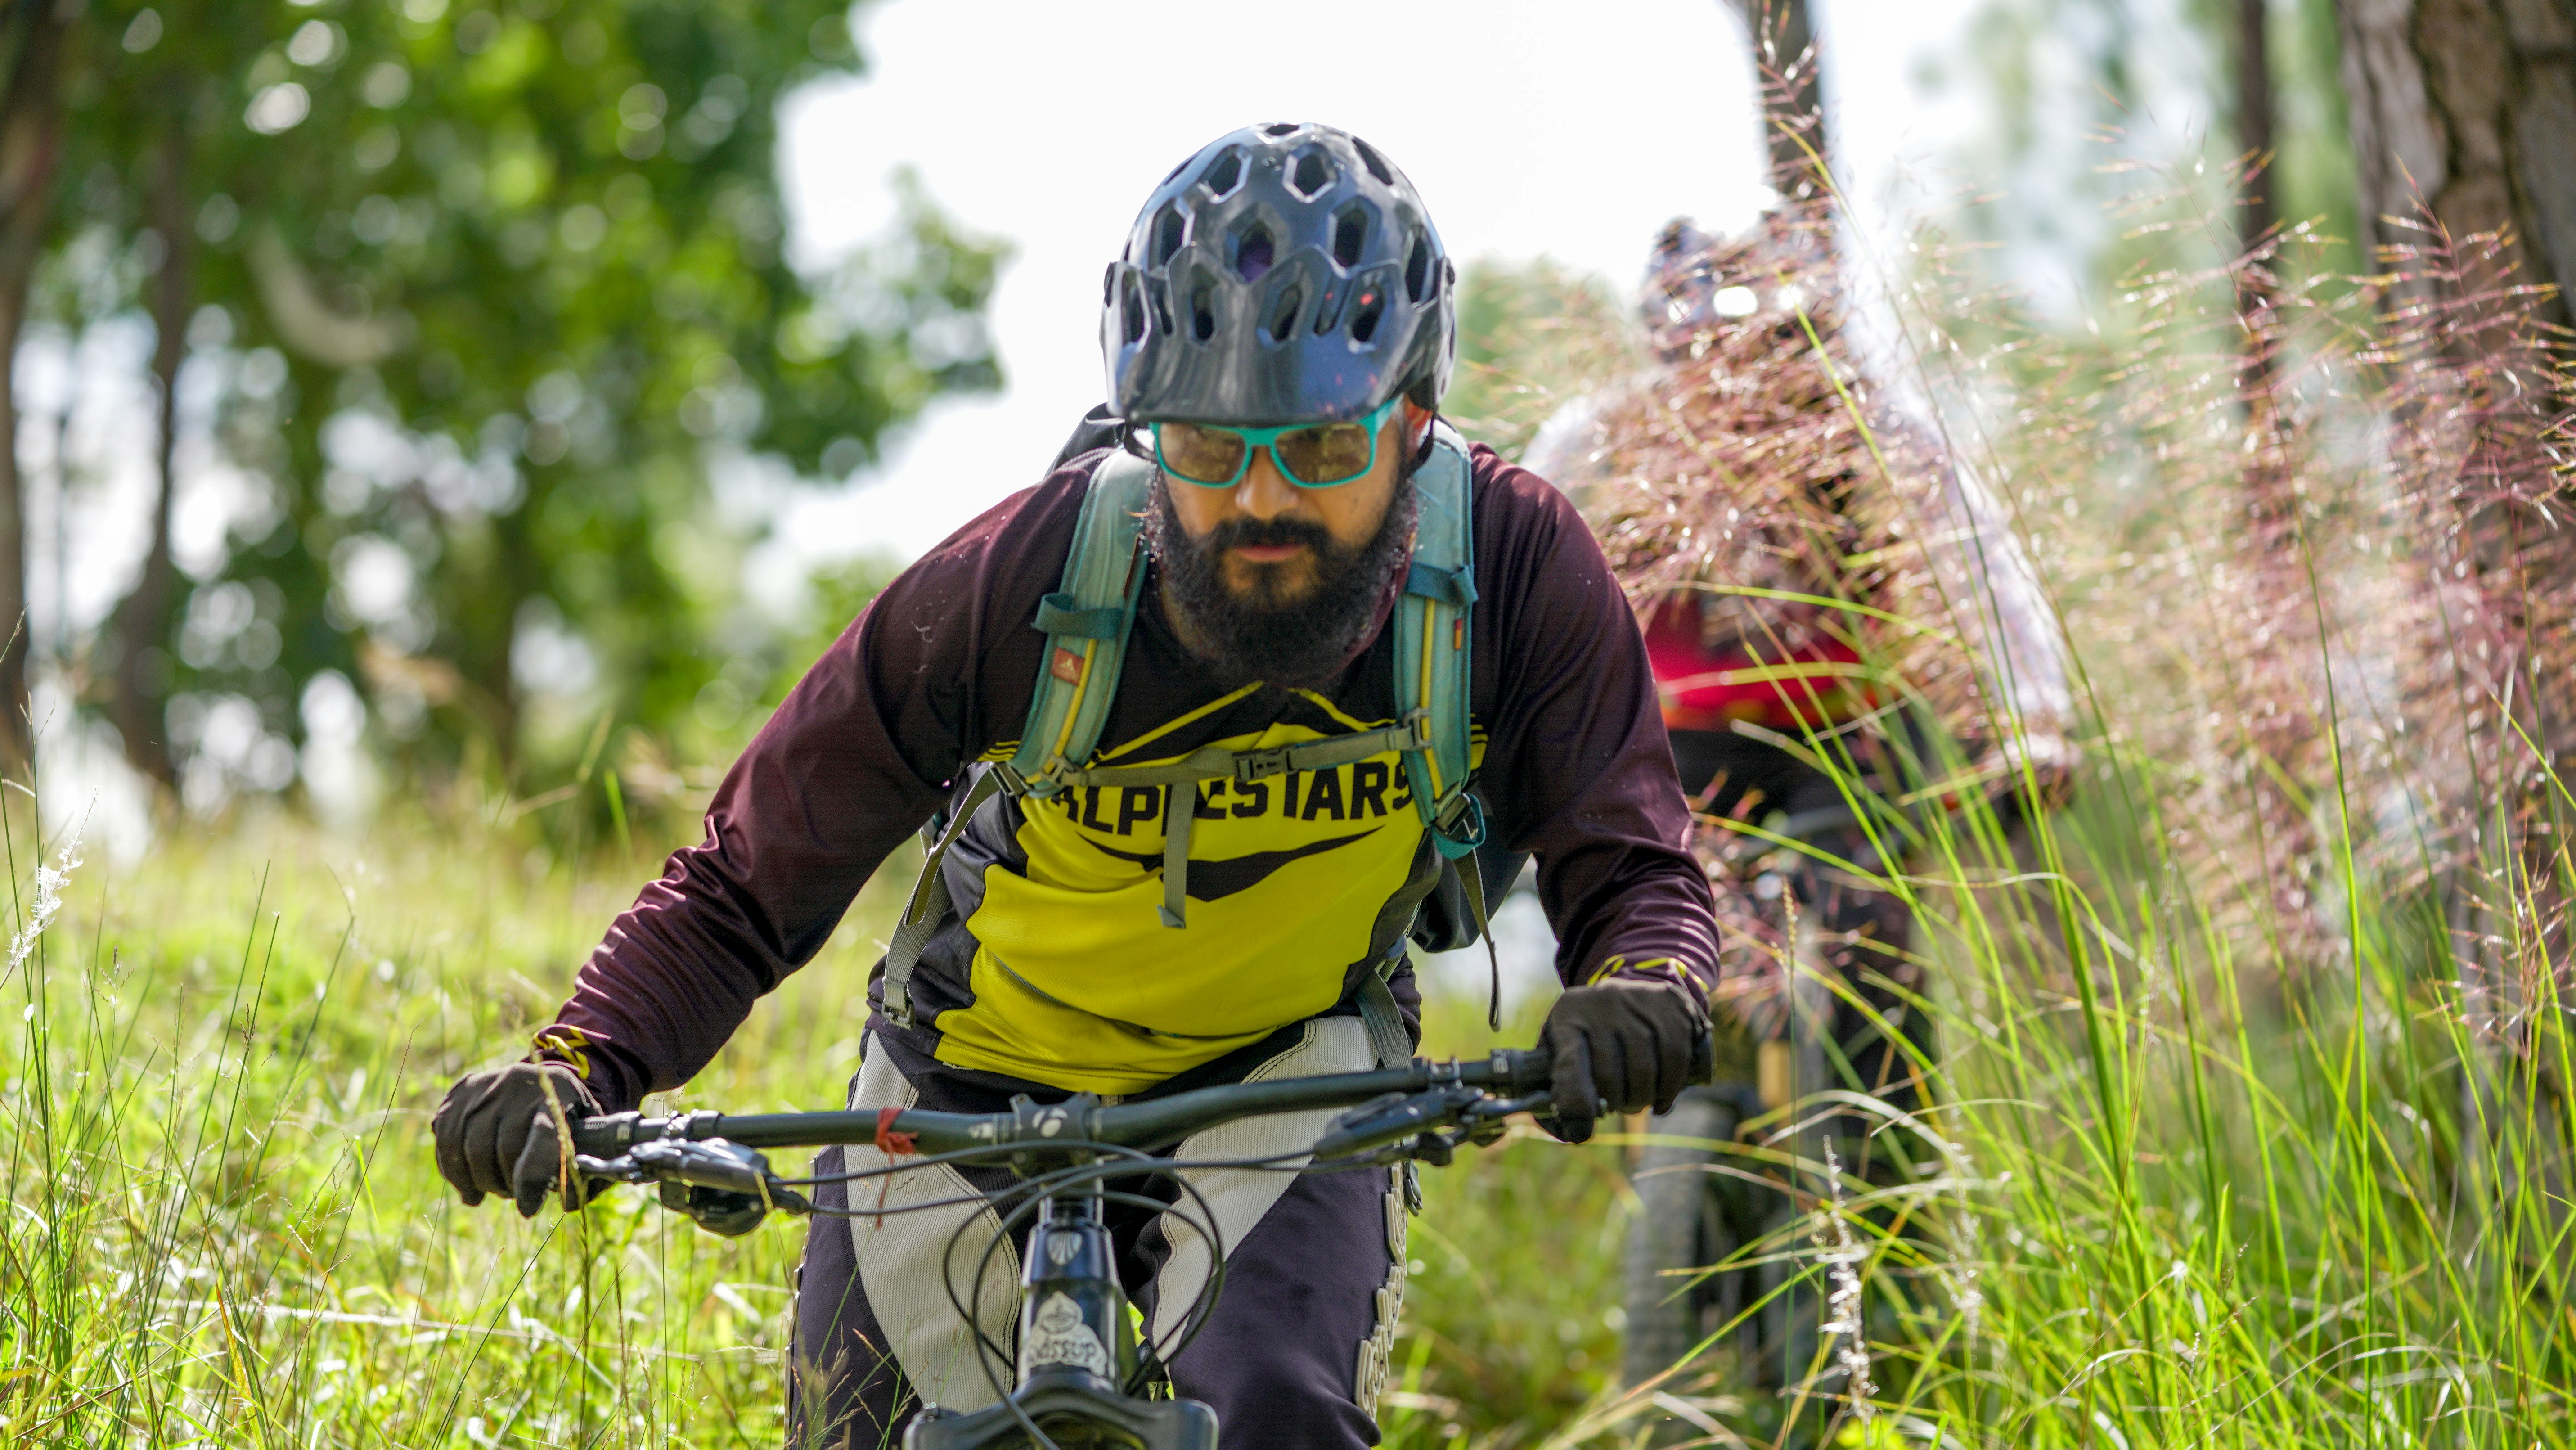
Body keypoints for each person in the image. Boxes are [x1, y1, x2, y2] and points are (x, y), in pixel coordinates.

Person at [430, 123, 1720, 1450]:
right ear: (1144, 426)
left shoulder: (1511, 566)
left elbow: (1635, 861)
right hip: (958, 1082)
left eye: (1323, 452)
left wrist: (1642, 988)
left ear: (1414, 419)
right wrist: (576, 1072)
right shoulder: (1019, 580)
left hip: (1290, 1076)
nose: (1261, 505)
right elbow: (746, 880)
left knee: (1279, 1412)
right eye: (1207, 452)